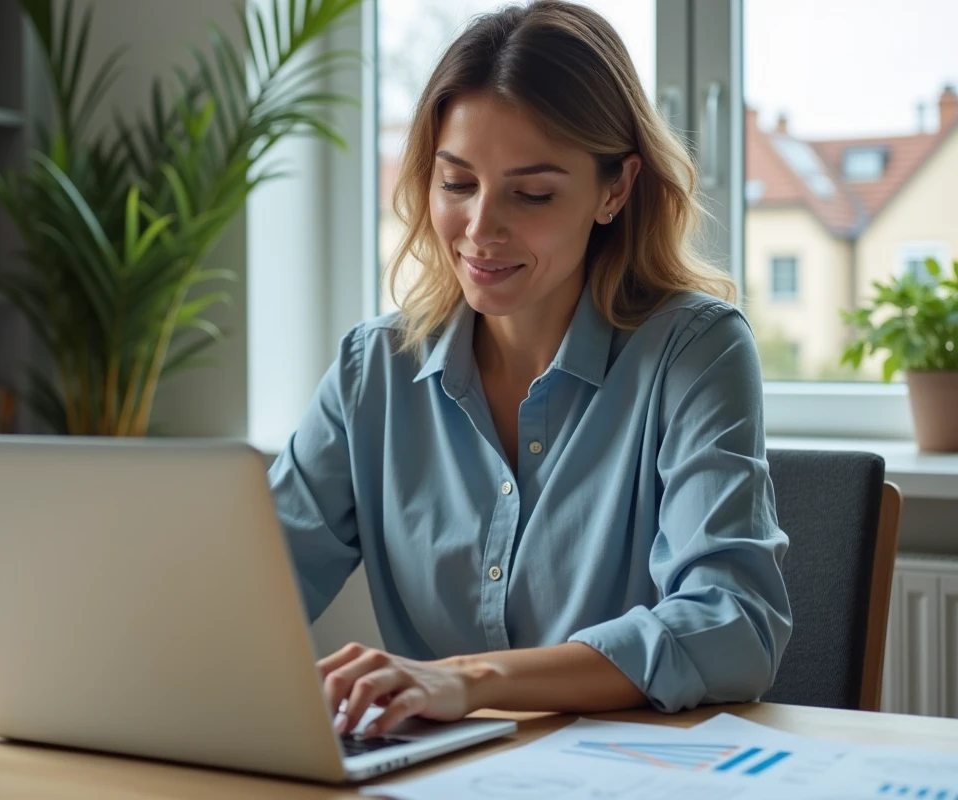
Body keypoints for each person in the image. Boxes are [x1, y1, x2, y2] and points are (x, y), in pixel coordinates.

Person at [266, 0, 793, 740]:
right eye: (457, 184)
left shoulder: (695, 350)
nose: (481, 228)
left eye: (532, 193)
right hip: (431, 780)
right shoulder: (372, 370)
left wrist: (470, 680)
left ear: (615, 189)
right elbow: (244, 594)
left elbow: (734, 625)